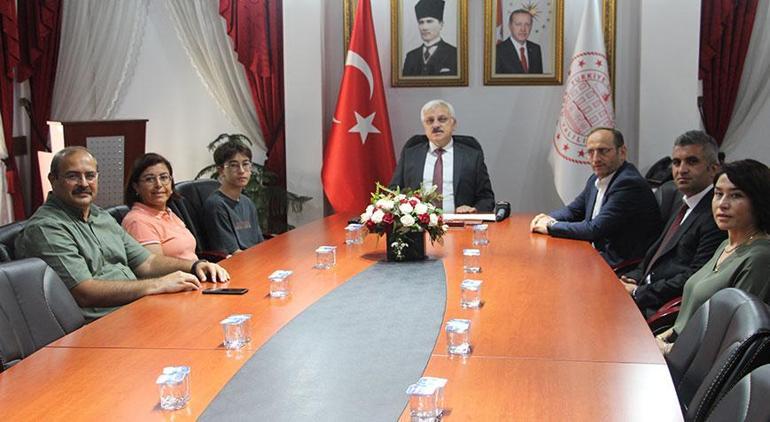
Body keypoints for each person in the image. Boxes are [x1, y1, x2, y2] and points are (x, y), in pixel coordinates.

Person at [15, 147, 229, 321]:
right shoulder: (47, 228)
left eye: (90, 176)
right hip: (101, 326)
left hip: (137, 310)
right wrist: (157, 285)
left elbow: (147, 263)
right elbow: (84, 292)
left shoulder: (100, 216)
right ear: (53, 179)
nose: (84, 184)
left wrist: (195, 266)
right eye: (73, 176)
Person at [657, 159, 770, 354]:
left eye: (736, 195)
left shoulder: (759, 258)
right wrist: (661, 338)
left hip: (697, 364)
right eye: (718, 194)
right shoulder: (726, 245)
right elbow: (686, 320)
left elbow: (733, 336)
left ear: (758, 201)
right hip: (678, 348)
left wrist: (668, 350)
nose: (722, 204)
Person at [620, 131, 726, 316]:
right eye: (676, 162)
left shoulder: (716, 215)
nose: (681, 170)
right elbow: (658, 252)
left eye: (692, 161)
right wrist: (633, 277)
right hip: (644, 290)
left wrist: (639, 293)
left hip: (663, 309)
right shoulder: (681, 201)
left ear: (713, 169)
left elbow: (695, 277)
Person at [530, 127, 662, 268]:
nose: (596, 159)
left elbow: (594, 229)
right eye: (590, 152)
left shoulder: (628, 183)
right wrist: (546, 218)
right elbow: (573, 211)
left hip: (624, 265)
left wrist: (550, 226)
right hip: (598, 255)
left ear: (622, 152)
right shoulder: (595, 179)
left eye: (603, 151)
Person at [389, 99, 495, 213]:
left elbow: (486, 199)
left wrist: (473, 210)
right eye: (430, 121)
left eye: (442, 119)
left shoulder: (472, 156)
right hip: (420, 222)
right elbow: (393, 192)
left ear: (453, 124)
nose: (435, 125)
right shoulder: (411, 155)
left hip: (459, 222)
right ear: (424, 126)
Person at [122, 153, 198, 261]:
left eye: (164, 177)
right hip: (182, 272)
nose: (158, 184)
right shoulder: (137, 221)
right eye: (149, 179)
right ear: (136, 187)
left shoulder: (168, 212)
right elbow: (156, 266)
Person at [203, 139, 264, 254]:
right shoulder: (216, 205)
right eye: (234, 165)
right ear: (221, 170)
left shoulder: (247, 203)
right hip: (238, 261)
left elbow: (260, 243)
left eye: (245, 164)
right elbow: (232, 252)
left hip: (255, 258)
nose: (241, 171)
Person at [402, 0, 457, 76]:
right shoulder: (411, 56)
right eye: (421, 22)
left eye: (429, 21)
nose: (424, 27)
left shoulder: (454, 54)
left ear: (441, 24)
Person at [495, 9, 543, 74]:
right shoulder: (498, 51)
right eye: (518, 24)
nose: (523, 29)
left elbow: (539, 79)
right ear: (510, 26)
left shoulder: (536, 49)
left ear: (531, 26)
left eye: (527, 24)